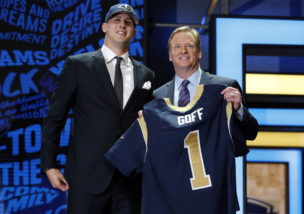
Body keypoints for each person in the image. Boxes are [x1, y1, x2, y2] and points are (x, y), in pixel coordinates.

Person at [40, 3, 154, 214]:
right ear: (104, 27)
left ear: (135, 32)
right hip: (87, 177)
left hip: (129, 181)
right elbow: (55, 117)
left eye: (128, 22)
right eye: (116, 20)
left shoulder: (146, 75)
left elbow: (149, 124)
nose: (122, 25)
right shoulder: (78, 65)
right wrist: (49, 165)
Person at [153, 26, 258, 141]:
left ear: (199, 52)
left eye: (189, 46)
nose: (183, 51)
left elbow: (251, 133)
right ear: (170, 55)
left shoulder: (224, 86)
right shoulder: (158, 95)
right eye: (177, 46)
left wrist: (239, 110)